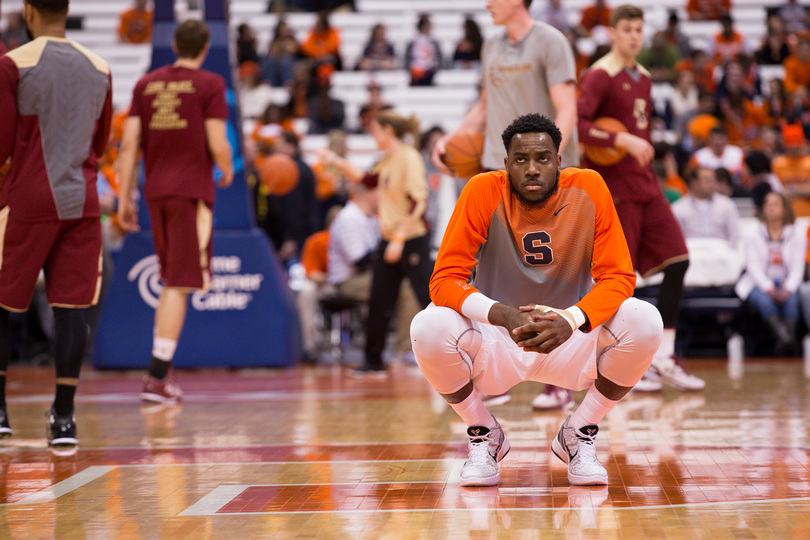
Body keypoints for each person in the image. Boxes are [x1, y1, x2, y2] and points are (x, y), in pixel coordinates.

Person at [410, 113, 663, 487]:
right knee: (427, 326)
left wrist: (573, 318)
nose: (532, 169)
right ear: (506, 163)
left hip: (568, 336)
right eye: (521, 160)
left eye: (542, 159)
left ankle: (579, 432)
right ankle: (483, 433)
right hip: (496, 338)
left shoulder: (589, 187)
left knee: (645, 319)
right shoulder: (482, 189)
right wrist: (502, 314)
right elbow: (444, 280)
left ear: (559, 162)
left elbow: (619, 276)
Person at [432, 0, 579, 410]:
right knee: (495, 273)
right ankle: (497, 372)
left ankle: (558, 378)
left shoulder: (551, 41)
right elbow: (484, 106)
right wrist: (451, 138)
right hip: (499, 176)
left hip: (541, 178)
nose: (487, 4)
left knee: (548, 272)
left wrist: (547, 164)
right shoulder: (491, 44)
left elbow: (567, 108)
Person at [0, 0, 113, 445]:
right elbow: (100, 141)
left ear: (28, 10)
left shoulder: (12, 64)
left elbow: (2, 145)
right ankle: (64, 418)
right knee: (72, 310)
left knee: (4, 305)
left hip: (26, 201)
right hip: (81, 202)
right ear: (66, 10)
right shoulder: (99, 66)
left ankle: (1, 412)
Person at [577, 5, 705, 392]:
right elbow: (578, 125)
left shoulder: (645, 77)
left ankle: (663, 355)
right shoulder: (600, 74)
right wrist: (622, 139)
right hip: (616, 190)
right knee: (621, 279)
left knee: (679, 260)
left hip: (646, 183)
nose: (634, 36)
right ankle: (623, 362)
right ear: (613, 33)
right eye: (627, 29)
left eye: (638, 29)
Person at [117, 19, 234, 402]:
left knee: (173, 278)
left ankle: (159, 375)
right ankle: (156, 377)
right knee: (179, 283)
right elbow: (218, 142)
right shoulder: (210, 84)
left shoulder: (145, 84)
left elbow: (130, 142)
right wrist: (228, 167)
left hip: (156, 191)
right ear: (204, 47)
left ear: (173, 45)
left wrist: (124, 198)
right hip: (189, 191)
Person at [324, 110, 433, 375]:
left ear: (387, 131)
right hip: (389, 239)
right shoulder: (387, 159)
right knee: (379, 301)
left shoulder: (409, 156)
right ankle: (373, 361)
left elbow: (418, 201)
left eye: (374, 130)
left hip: (410, 238)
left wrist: (398, 239)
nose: (371, 135)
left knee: (429, 299)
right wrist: (335, 160)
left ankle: (460, 353)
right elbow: (366, 180)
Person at [735, 191, 806, 355]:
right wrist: (769, 288)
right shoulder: (752, 234)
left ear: (785, 209)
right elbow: (753, 267)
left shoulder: (797, 234)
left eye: (775, 204)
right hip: (758, 283)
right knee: (765, 301)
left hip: (787, 282)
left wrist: (788, 288)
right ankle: (787, 341)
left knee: (792, 301)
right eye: (767, 204)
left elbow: (798, 267)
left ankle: (786, 341)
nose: (771, 207)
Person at [671, 167, 740, 245]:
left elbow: (734, 234)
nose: (712, 184)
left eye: (713, 180)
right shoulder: (678, 207)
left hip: (721, 253)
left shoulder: (727, 204)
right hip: (692, 251)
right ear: (694, 183)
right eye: (707, 180)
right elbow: (675, 237)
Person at [405, 14, 442, 86]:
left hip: (430, 71)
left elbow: (438, 58)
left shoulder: (433, 42)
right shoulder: (414, 42)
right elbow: (409, 58)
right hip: (416, 71)